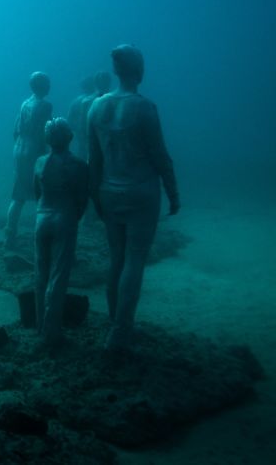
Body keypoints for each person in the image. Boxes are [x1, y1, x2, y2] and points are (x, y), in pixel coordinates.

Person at [88, 45, 179, 351]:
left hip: (108, 192)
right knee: (135, 260)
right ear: (138, 70)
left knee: (117, 259)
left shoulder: (96, 107)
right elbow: (160, 155)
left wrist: (94, 196)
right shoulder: (144, 107)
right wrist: (173, 191)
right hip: (141, 192)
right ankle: (121, 329)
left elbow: (94, 160)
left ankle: (116, 321)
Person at [33, 118, 89, 350]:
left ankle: (39, 325)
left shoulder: (40, 162)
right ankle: (52, 332)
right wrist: (73, 216)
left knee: (40, 272)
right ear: (70, 137)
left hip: (42, 217)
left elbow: (36, 191)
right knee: (58, 275)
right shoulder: (78, 165)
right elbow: (82, 199)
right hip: (64, 218)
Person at [4, 71, 52, 249]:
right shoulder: (45, 105)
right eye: (47, 84)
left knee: (18, 195)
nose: (49, 87)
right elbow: (45, 134)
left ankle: (9, 237)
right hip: (34, 151)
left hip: (19, 149)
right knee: (42, 194)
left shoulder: (25, 103)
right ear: (42, 86)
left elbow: (16, 130)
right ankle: (42, 238)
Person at [66, 75, 96, 160]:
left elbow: (70, 122)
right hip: (95, 136)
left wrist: (79, 129)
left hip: (81, 137)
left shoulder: (75, 102)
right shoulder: (99, 99)